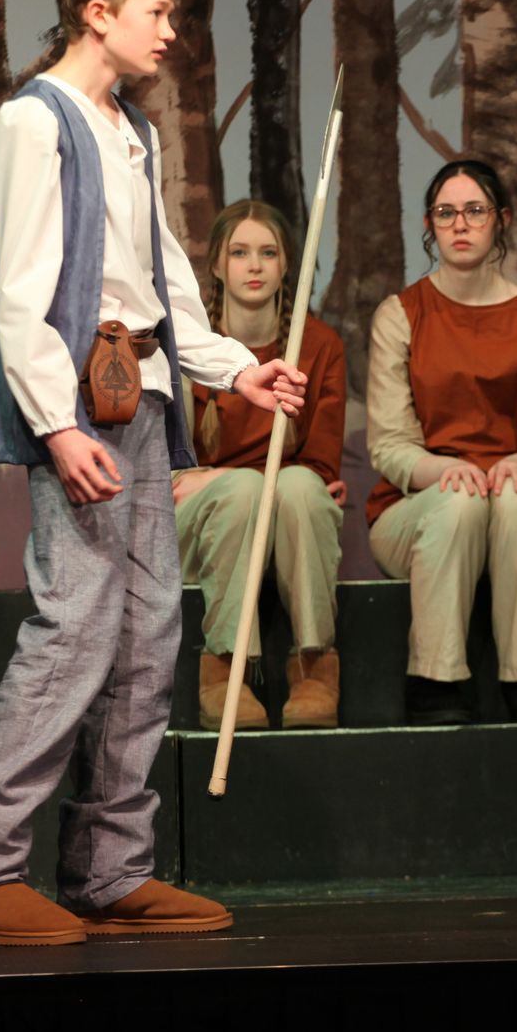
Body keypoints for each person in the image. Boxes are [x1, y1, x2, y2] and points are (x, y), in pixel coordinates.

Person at [0, 0, 305, 946]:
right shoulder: (33, 119)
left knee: (146, 635)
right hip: (83, 402)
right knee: (77, 627)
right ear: (99, 13)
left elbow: (161, 270)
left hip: (144, 395)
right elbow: (20, 291)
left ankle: (107, 866)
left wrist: (231, 366)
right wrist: (55, 423)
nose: (169, 31)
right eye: (156, 11)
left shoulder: (128, 126)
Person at [365, 160, 517, 725]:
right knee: (460, 500)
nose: (460, 224)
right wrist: (443, 471)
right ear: (429, 226)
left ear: (500, 219)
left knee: (513, 499)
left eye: (475, 211)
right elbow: (389, 443)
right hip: (416, 509)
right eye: (446, 213)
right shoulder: (401, 314)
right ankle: (434, 680)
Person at [174, 199, 346, 731]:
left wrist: (228, 476)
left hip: (282, 506)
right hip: (203, 519)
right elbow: (169, 476)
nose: (254, 266)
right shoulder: (187, 348)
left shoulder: (318, 345)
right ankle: (225, 672)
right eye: (240, 252)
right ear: (217, 265)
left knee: (299, 486)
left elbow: (320, 466)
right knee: (246, 491)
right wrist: (222, 480)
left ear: (286, 263)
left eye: (268, 253)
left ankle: (313, 667)